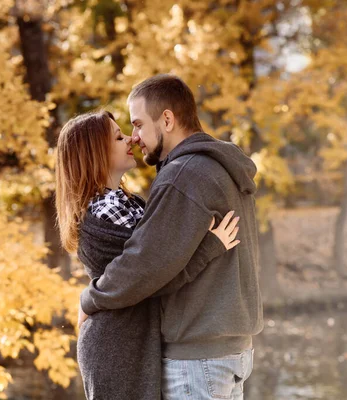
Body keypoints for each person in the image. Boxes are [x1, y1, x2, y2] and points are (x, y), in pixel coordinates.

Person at [78, 74, 264, 400]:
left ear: (166, 119)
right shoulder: (221, 166)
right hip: (232, 347)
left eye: (137, 125)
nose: (135, 138)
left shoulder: (182, 175)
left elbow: (144, 264)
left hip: (197, 354)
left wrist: (90, 299)